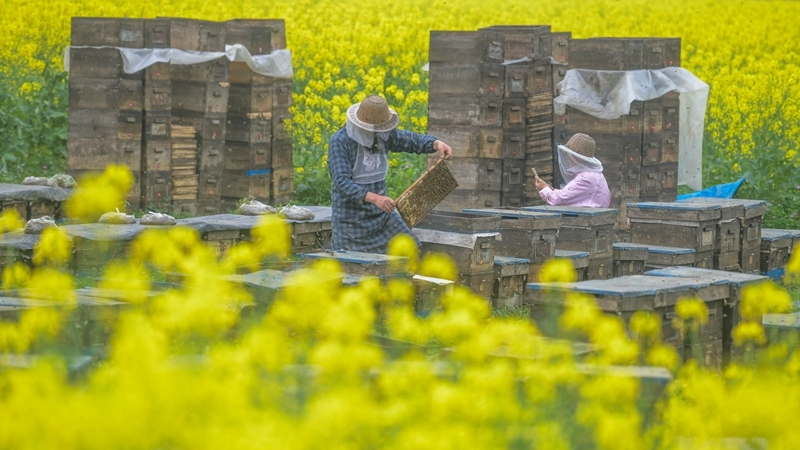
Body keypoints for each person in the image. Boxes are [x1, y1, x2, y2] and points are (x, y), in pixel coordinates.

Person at [328, 95, 452, 253]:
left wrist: (435, 143)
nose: (377, 133)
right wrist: (376, 199)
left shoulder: (383, 135)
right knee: (356, 268)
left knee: (411, 248)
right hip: (351, 221)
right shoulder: (340, 141)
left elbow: (410, 140)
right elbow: (342, 182)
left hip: (382, 217)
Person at [534, 133, 611, 208]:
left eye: (569, 155)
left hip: (584, 218)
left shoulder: (586, 178)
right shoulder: (595, 174)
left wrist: (544, 189)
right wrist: (551, 190)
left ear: (577, 158)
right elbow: (571, 195)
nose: (567, 158)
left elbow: (559, 199)